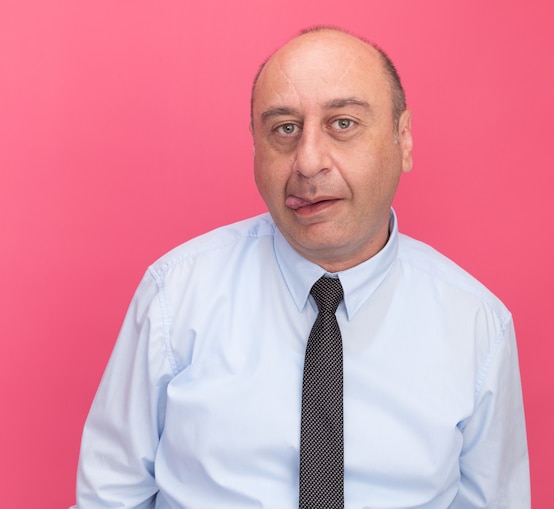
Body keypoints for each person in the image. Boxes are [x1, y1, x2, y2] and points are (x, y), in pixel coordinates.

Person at [71, 27, 530, 508]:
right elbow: (109, 496)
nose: (308, 163)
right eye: (285, 129)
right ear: (255, 147)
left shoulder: (478, 324)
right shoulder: (176, 294)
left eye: (343, 123)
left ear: (403, 138)